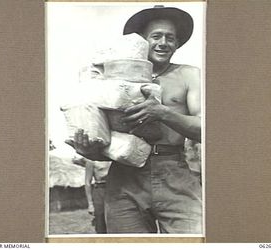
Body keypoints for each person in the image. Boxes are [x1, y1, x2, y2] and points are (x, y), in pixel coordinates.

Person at [72, 6, 202, 234]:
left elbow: (208, 129)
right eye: (156, 36)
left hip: (174, 172)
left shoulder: (190, 75)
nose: (163, 42)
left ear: (177, 43)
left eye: (170, 38)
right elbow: (101, 136)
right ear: (141, 41)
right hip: (123, 177)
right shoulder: (111, 80)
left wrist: (162, 112)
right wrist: (89, 150)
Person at [73, 155, 110, 233]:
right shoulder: (91, 161)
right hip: (100, 191)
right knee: (100, 219)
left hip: (114, 190)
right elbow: (87, 183)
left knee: (117, 219)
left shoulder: (112, 158)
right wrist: (90, 204)